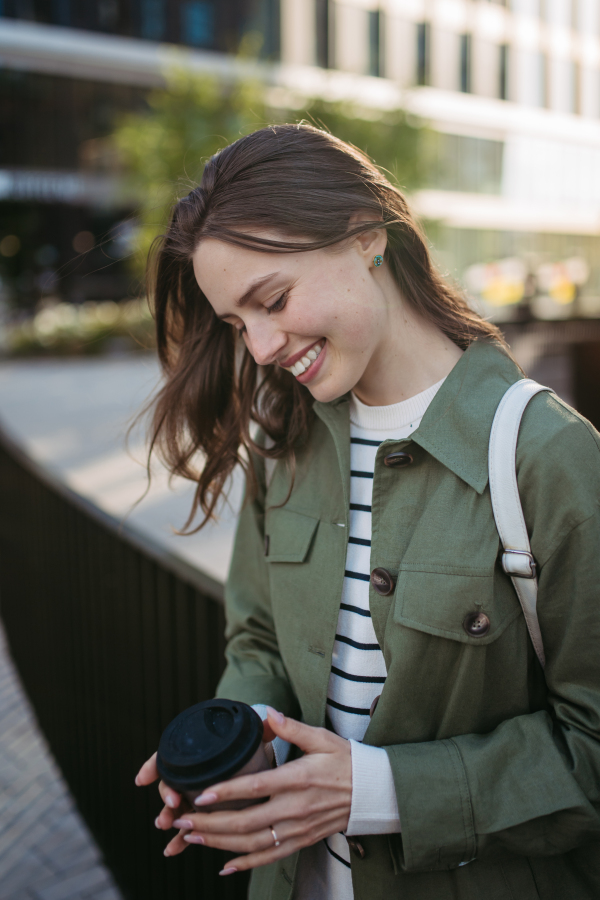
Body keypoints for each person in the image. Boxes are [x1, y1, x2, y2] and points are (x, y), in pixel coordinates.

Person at [135, 124, 600, 900]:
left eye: (272, 300)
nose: (259, 347)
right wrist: (239, 746)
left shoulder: (547, 456)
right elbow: (259, 639)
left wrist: (373, 790)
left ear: (365, 237)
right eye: (235, 323)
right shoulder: (283, 443)